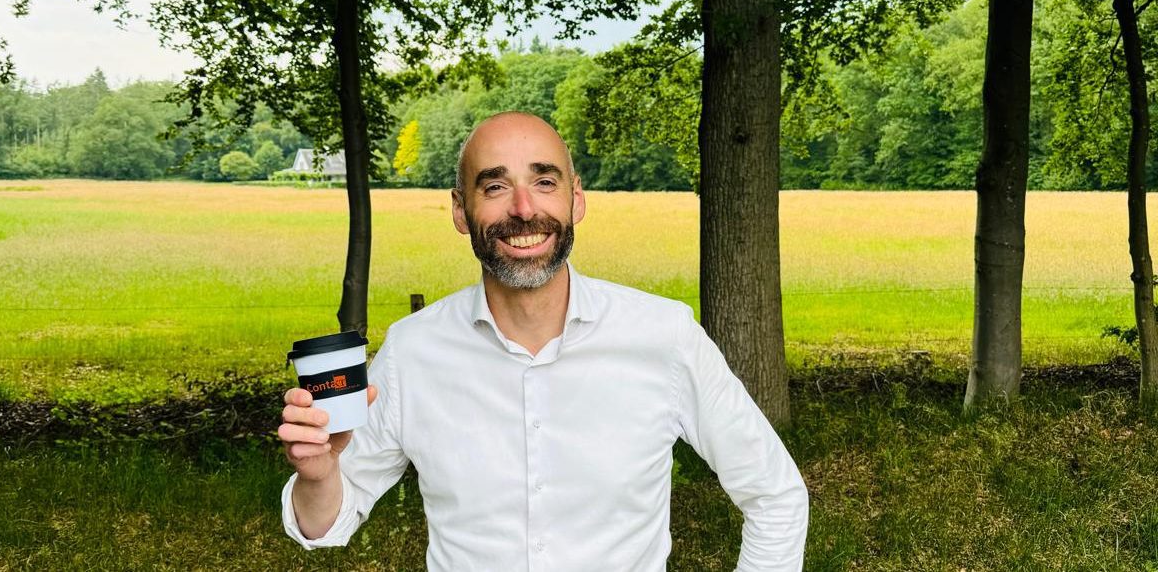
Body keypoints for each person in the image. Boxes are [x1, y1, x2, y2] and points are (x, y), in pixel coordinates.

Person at [278, 111, 809, 570]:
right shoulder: (412, 352)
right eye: (494, 186)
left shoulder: (663, 336)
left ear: (576, 199)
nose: (524, 208)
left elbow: (775, 494)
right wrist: (320, 476)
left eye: (545, 181)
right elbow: (328, 524)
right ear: (460, 210)